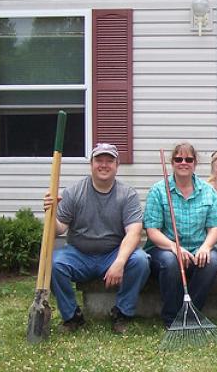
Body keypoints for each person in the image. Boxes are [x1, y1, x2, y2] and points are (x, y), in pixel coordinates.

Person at [46, 143, 150, 334]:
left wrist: (119, 262)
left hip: (112, 254)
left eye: (109, 161)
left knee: (141, 261)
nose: (104, 165)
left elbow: (134, 233)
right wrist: (51, 214)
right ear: (91, 164)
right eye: (99, 160)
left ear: (117, 165)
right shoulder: (74, 192)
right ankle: (72, 316)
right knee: (53, 263)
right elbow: (59, 229)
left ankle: (121, 313)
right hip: (79, 254)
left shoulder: (127, 195)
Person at [143, 142, 217, 328]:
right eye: (178, 159)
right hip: (165, 249)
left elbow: (216, 226)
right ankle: (172, 317)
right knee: (172, 261)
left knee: (211, 261)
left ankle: (190, 315)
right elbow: (152, 230)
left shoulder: (208, 191)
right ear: (172, 163)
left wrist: (205, 247)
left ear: (195, 163)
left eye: (188, 159)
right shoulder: (159, 190)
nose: (183, 162)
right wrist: (174, 247)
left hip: (198, 247)